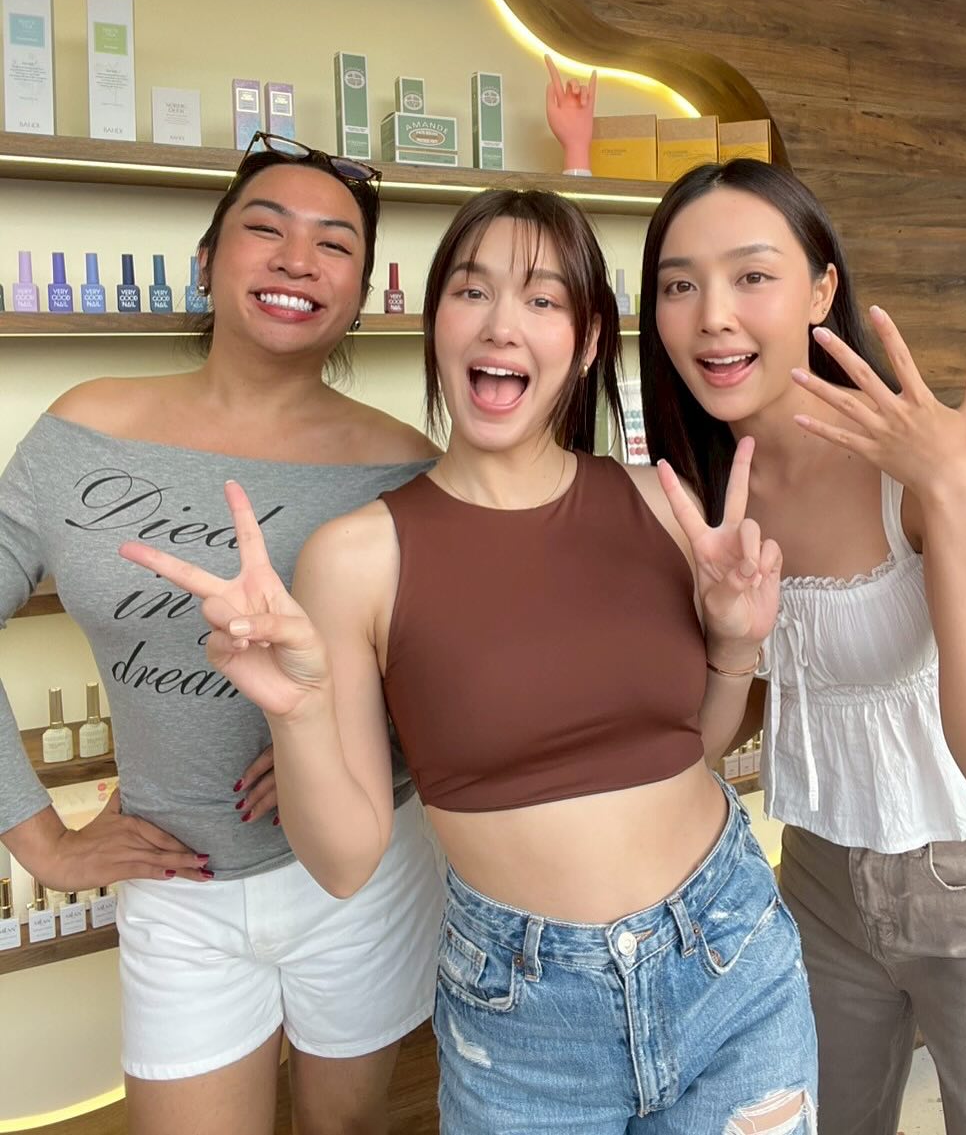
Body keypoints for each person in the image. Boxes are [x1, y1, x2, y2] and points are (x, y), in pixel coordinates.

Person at [122, 187, 818, 1134]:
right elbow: (344, 860)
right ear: (436, 323)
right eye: (472, 290)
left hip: (731, 952)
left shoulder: (659, 505)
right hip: (525, 1013)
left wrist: (733, 647)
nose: (501, 324)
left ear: (585, 341)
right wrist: (298, 710)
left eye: (542, 298)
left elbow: (689, 751)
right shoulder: (356, 557)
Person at [637, 157, 966, 1135]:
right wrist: (731, 643)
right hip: (816, 881)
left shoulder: (916, 472)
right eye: (679, 284)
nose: (712, 315)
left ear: (821, 291)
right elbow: (710, 740)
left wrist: (960, 490)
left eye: (751, 275)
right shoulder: (700, 492)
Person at [0, 133, 444, 1135]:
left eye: (335, 243)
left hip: (365, 871)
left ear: (360, 291)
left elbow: (452, 672)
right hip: (176, 874)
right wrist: (42, 841)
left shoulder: (406, 468)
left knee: (346, 1127)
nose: (298, 259)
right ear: (206, 260)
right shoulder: (84, 430)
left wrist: (350, 746)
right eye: (265, 228)